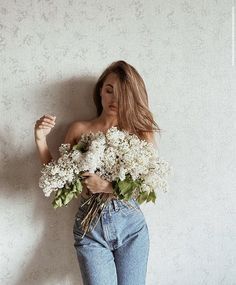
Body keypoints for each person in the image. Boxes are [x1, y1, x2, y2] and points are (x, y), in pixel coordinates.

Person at [34, 60, 161, 285]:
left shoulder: (141, 132)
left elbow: (145, 186)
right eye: (109, 90)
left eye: (122, 93)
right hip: (90, 231)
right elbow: (59, 179)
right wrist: (40, 139)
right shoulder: (79, 130)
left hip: (131, 228)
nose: (114, 99)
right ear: (100, 91)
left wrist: (106, 186)